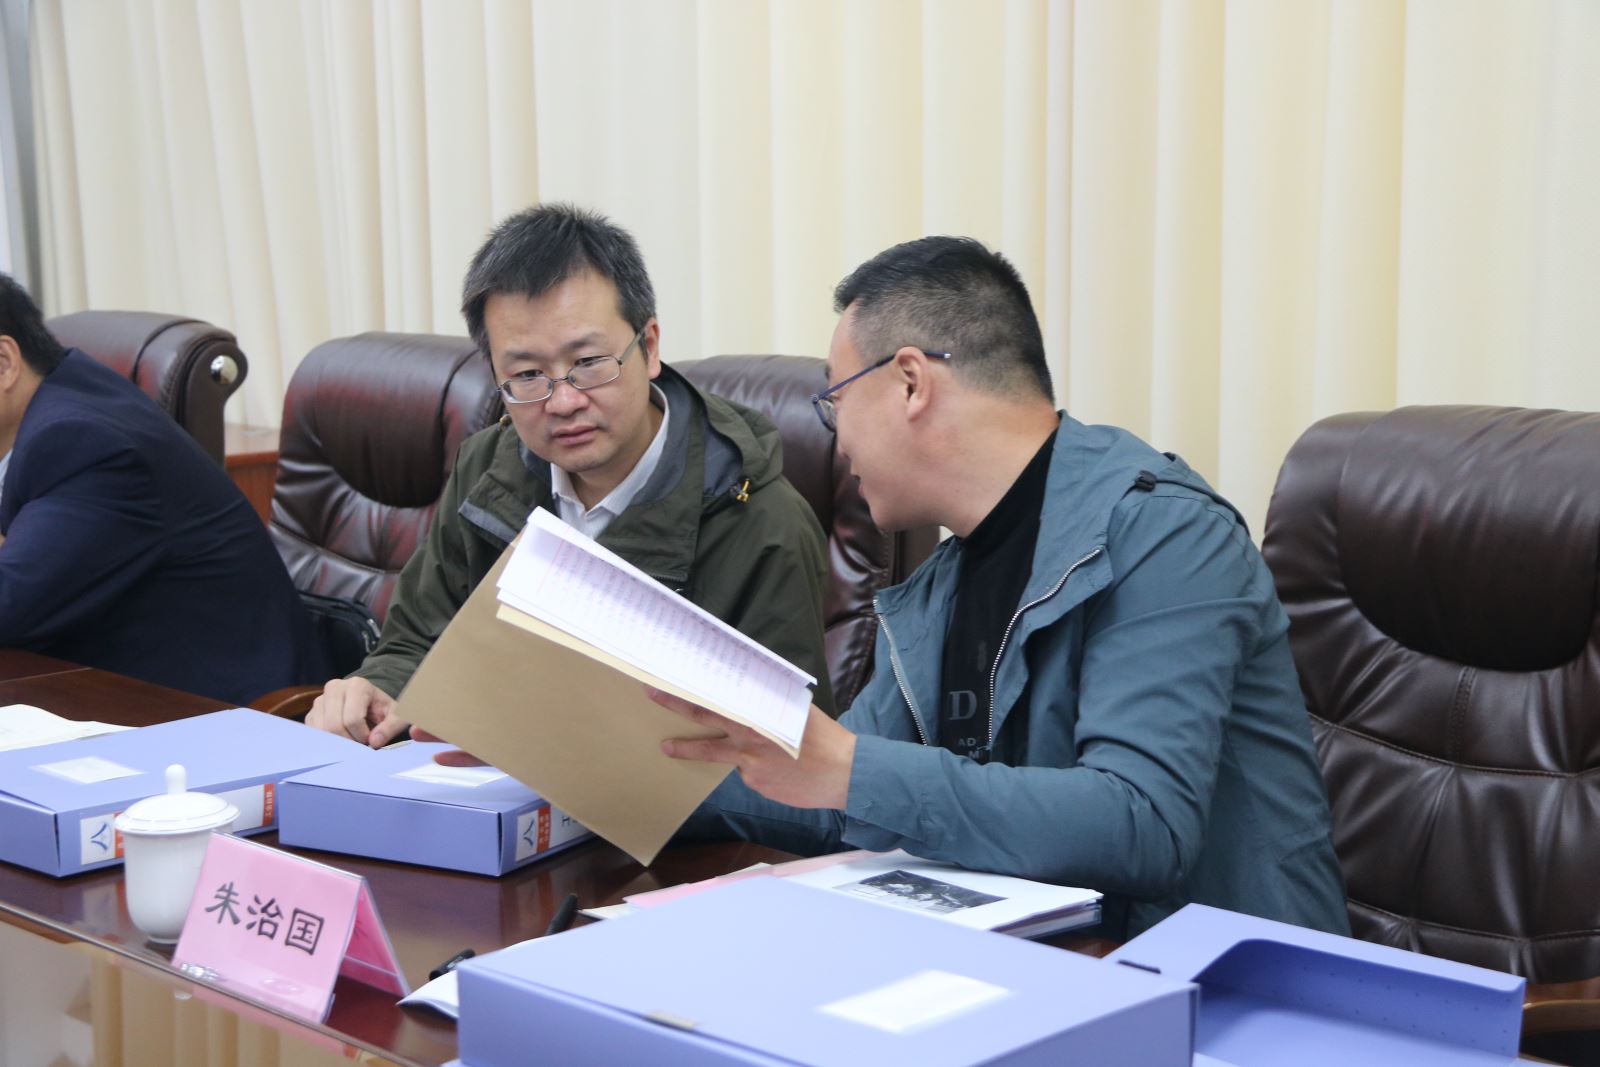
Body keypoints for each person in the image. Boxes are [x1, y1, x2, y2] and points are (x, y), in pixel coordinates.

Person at [654, 236, 1349, 940]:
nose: (838, 440)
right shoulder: (943, 584)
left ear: (910, 382)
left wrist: (851, 770)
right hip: (1046, 963)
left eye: (837, 401)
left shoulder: (1164, 534)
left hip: (1234, 978)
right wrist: (640, 786)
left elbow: (1142, 821)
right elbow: (837, 794)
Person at [306, 204, 833, 746]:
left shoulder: (762, 521)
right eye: (528, 374)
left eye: (588, 363)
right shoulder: (487, 468)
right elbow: (416, 641)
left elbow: (791, 754)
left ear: (649, 347)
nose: (562, 402)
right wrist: (377, 688)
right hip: (489, 776)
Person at [0, 272, 324, 704]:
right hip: (93, 688)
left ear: (5, 363)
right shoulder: (51, 407)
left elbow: (7, 608)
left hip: (210, 715)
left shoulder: (83, 443)